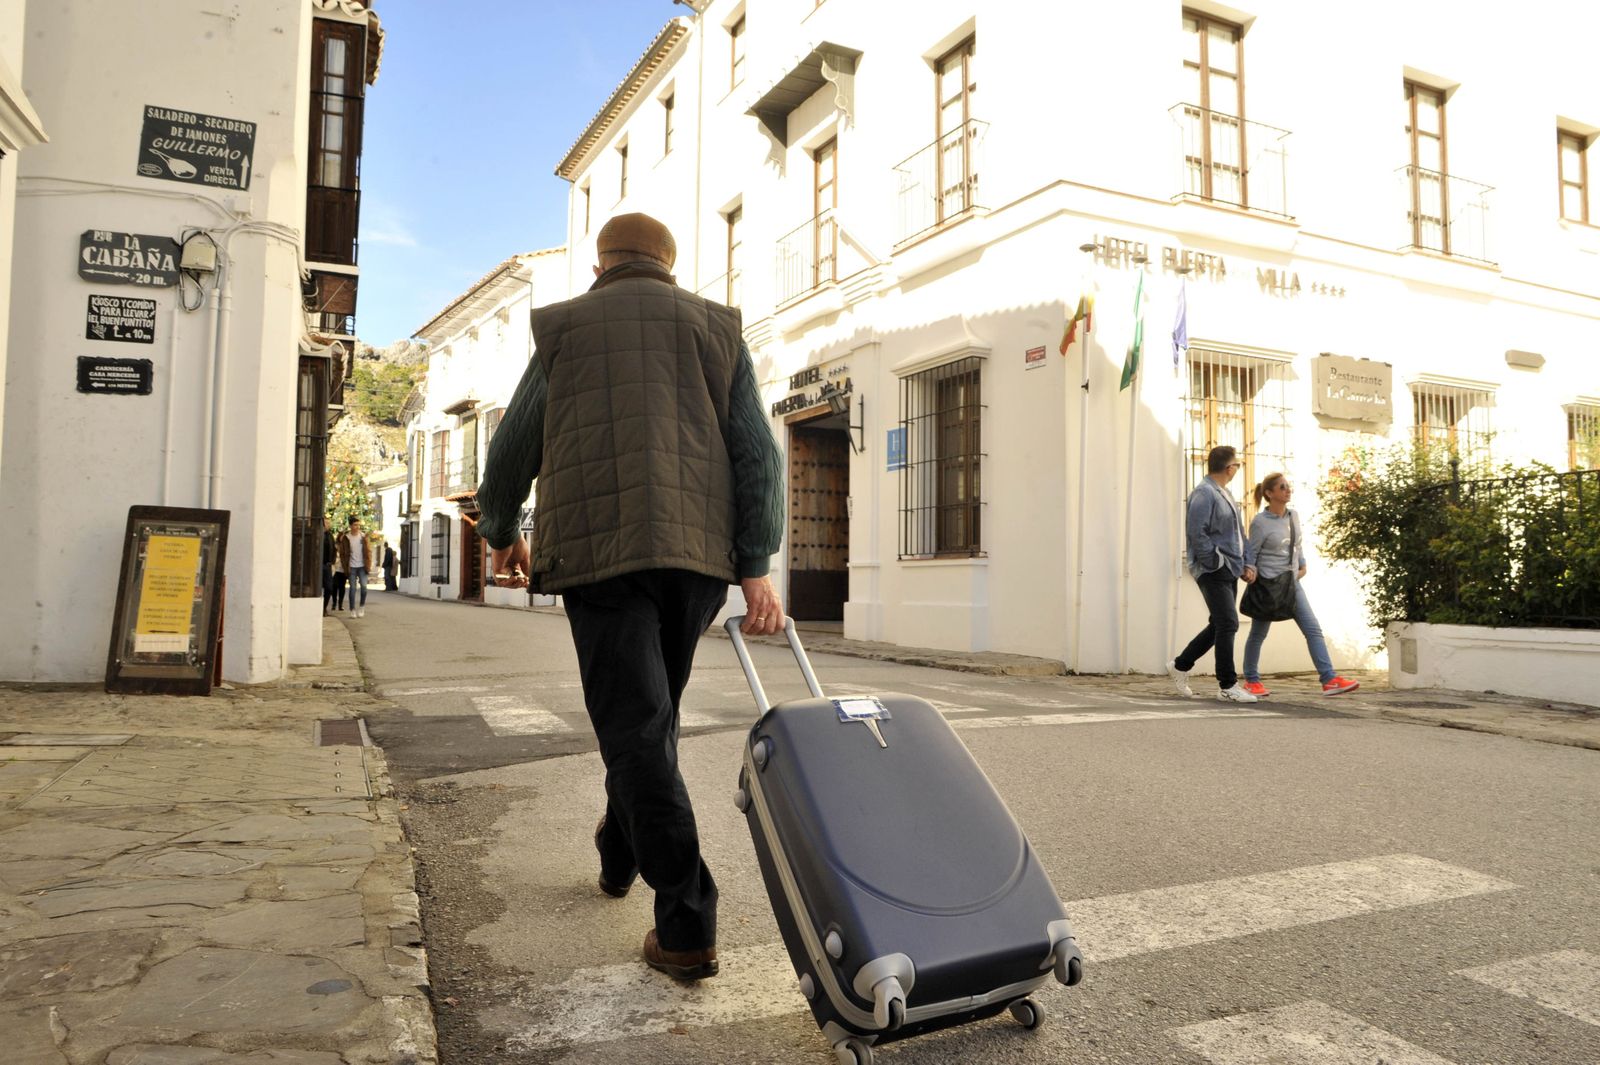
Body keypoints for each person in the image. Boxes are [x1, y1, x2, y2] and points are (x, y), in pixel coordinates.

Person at [476, 212, 784, 983]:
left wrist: (501, 527)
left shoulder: (567, 327)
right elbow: (756, 452)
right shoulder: (719, 329)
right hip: (694, 558)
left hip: (600, 551)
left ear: (601, 264)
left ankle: (685, 921)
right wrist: (754, 562)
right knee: (650, 721)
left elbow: (515, 441)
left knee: (639, 728)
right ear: (670, 266)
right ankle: (619, 852)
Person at [1239, 473, 1360, 697]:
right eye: (1282, 487)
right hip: (1268, 585)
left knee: (1312, 629)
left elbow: (1297, 545)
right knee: (1258, 633)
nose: (1288, 490)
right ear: (1269, 493)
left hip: (1292, 583)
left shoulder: (1293, 516)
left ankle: (1329, 679)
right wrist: (1250, 572)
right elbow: (1251, 553)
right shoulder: (1260, 522)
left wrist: (1302, 565)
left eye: (1288, 486)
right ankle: (1252, 681)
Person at [1169, 445, 1258, 702]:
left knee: (1219, 623)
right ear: (1230, 468)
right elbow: (1197, 533)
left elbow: (1240, 534)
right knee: (1228, 623)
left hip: (1229, 567)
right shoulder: (1204, 494)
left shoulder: (1225, 494)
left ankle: (1181, 665)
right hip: (1214, 569)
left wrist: (1246, 563)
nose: (1237, 470)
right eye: (1237, 465)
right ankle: (1227, 685)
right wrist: (1215, 562)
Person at [335, 516, 373, 618]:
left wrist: (368, 565)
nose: (357, 527)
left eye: (358, 524)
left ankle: (361, 607)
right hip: (351, 566)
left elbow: (368, 552)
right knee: (352, 588)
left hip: (362, 566)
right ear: (350, 526)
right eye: (355, 525)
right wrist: (345, 565)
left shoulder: (363, 537)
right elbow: (341, 552)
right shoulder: (346, 538)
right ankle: (352, 609)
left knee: (364, 588)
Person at [321, 516, 337, 616]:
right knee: (317, 588)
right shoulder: (318, 534)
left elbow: (334, 549)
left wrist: (332, 561)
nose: (328, 525)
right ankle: (319, 609)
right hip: (318, 565)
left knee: (329, 588)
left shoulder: (330, 535)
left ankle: (324, 607)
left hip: (327, 566)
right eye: (326, 523)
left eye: (328, 523)